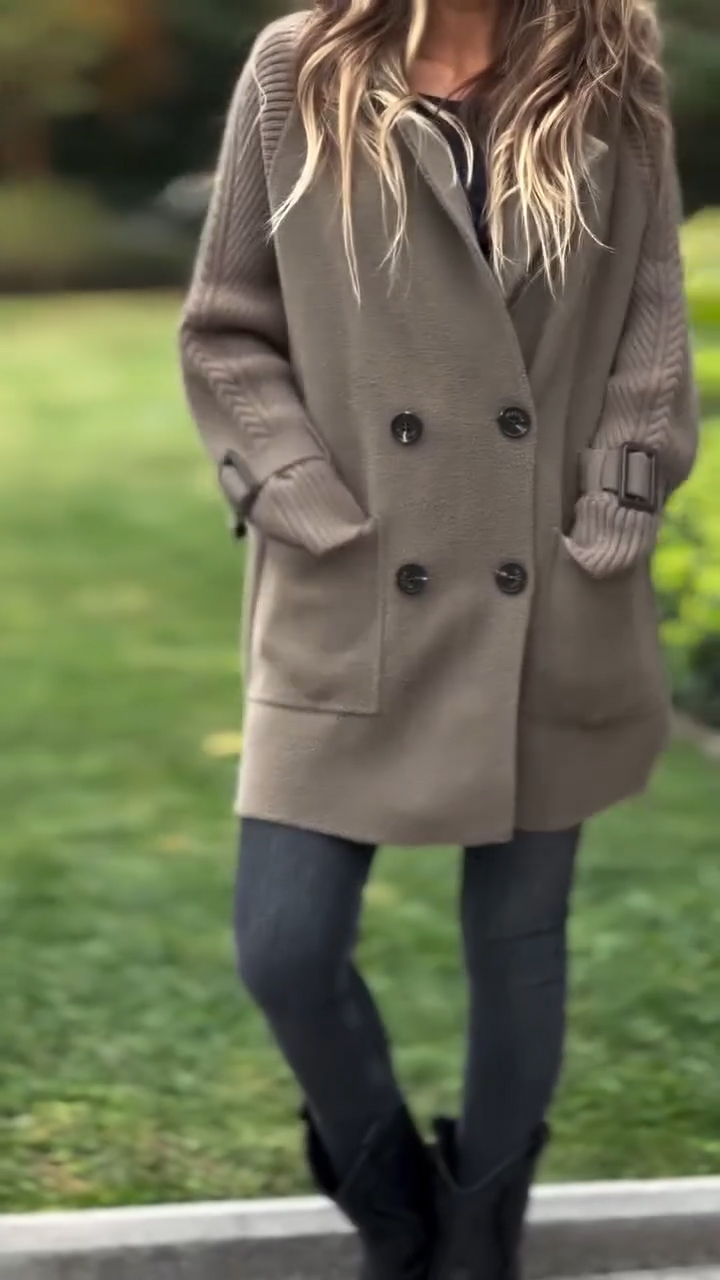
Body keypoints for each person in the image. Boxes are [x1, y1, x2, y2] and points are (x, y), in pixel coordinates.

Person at [179, 0, 699, 1274]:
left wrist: (621, 496)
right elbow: (227, 324)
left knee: (518, 946)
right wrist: (296, 492)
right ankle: (397, 1214)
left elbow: (651, 315)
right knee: (286, 945)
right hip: (351, 584)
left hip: (546, 584)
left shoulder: (607, 66)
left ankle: (477, 1243)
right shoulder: (301, 67)